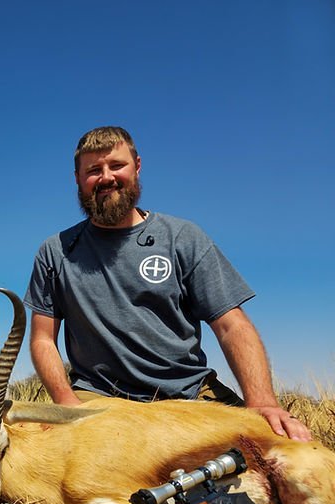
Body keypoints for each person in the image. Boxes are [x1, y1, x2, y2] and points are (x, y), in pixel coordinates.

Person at [24, 126, 311, 441]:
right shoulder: (57, 250)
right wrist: (67, 403)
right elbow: (42, 340)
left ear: (137, 167)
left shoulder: (182, 237)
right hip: (100, 399)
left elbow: (232, 326)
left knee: (276, 447)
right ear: (78, 178)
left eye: (116, 165)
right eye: (94, 170)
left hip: (188, 393)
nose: (106, 177)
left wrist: (262, 403)